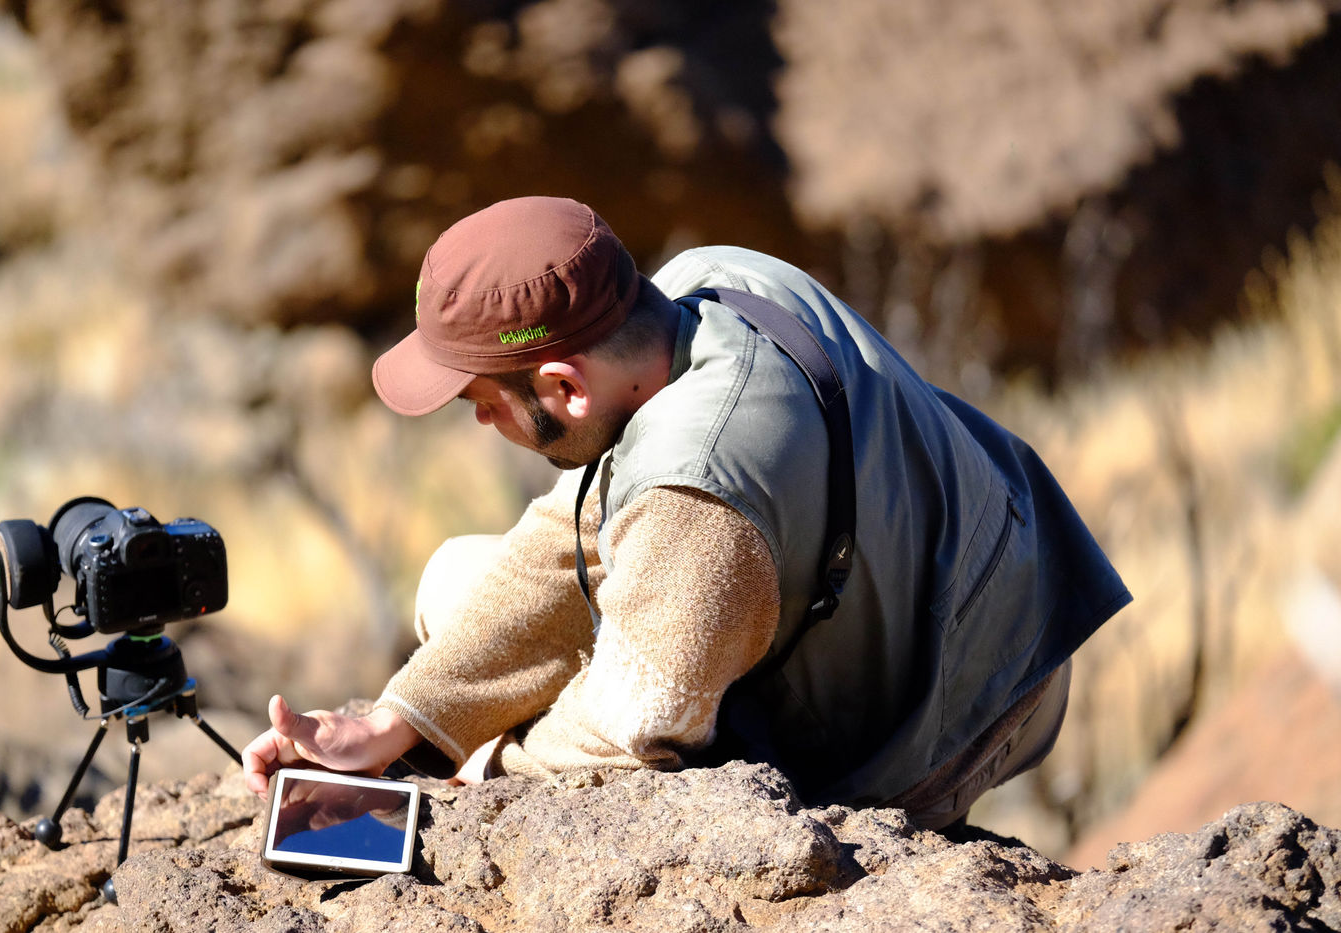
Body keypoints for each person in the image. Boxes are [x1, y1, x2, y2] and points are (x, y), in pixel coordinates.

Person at [242, 196, 1131, 828]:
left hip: (964, 697)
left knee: (594, 723)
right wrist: (401, 723)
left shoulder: (696, 489)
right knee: (455, 581)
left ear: (564, 386)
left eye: (481, 397)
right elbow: (570, 537)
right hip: (984, 569)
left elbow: (633, 727)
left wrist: (472, 772)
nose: (477, 421)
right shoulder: (696, 288)